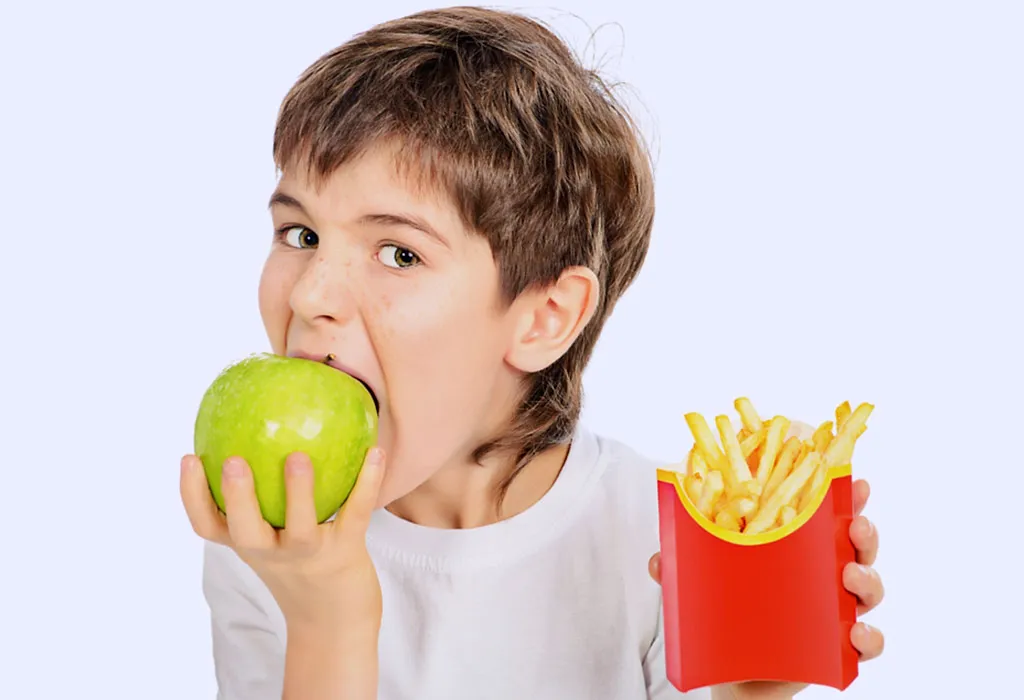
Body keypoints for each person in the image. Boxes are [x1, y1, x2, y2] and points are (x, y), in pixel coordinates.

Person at [179, 7, 886, 699]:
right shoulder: (268, 536)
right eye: (299, 234)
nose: (310, 296)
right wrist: (327, 623)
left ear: (545, 318)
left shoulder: (651, 534)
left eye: (398, 252)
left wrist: (750, 695)